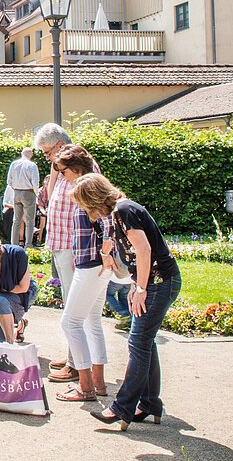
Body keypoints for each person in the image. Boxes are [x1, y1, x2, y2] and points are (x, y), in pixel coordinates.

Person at [71, 174, 182, 430]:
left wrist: (141, 287)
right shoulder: (121, 211)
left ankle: (123, 407)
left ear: (95, 199)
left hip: (159, 282)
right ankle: (150, 403)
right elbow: (137, 254)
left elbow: (144, 250)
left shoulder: (124, 210)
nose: (88, 212)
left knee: (138, 343)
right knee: (145, 342)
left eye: (86, 205)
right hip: (156, 281)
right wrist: (136, 284)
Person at [33, 123, 100, 380]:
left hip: (76, 246)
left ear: (60, 145)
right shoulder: (59, 170)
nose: (47, 157)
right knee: (69, 302)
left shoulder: (82, 166)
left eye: (48, 152)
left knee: (76, 309)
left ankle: (77, 364)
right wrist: (53, 169)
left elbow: (93, 206)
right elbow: (50, 200)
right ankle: (74, 354)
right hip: (60, 243)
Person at [50, 145, 112, 402]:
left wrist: (104, 251)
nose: (61, 175)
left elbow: (107, 220)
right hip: (97, 264)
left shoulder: (86, 187)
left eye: (62, 170)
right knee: (92, 321)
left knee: (70, 322)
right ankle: (98, 383)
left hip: (90, 264)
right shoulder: (93, 183)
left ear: (75, 169)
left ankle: (85, 385)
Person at [6, 147, 40, 248]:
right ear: (31, 154)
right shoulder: (32, 165)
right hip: (28, 192)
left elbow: (9, 181)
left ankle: (14, 244)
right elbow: (35, 182)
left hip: (16, 192)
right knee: (30, 221)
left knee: (16, 220)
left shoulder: (14, 164)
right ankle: (28, 245)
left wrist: (15, 189)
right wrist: (36, 193)